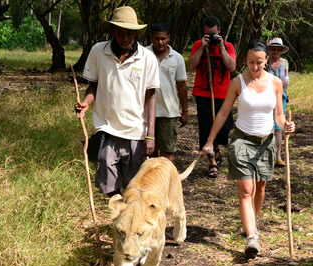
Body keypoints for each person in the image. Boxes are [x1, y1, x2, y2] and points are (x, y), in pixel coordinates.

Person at [201, 40, 295, 258]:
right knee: (246, 190)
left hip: (267, 142)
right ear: (246, 60)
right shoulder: (237, 83)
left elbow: (279, 115)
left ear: (266, 62)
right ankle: (252, 237)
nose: (254, 67)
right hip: (242, 140)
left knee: (260, 188)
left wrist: (286, 125)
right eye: (251, 62)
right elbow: (224, 113)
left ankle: (250, 223)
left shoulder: (275, 83)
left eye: (259, 63)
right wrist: (210, 140)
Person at [75, 6, 159, 197]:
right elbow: (93, 86)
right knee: (107, 178)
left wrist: (151, 135)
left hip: (136, 130)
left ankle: (130, 222)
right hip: (106, 127)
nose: (125, 37)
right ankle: (116, 213)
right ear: (113, 31)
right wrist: (86, 103)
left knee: (134, 185)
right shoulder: (98, 51)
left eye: (129, 33)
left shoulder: (147, 58)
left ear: (136, 34)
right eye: (120, 32)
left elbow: (151, 96)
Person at [189, 15, 236, 178]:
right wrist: (202, 47)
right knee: (207, 126)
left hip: (223, 93)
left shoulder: (228, 46)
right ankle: (212, 162)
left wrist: (221, 47)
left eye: (214, 34)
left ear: (220, 31)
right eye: (209, 34)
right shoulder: (198, 45)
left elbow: (231, 67)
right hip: (203, 93)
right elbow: (191, 65)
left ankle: (215, 148)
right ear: (204, 32)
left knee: (224, 127)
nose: (212, 37)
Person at [146, 23, 189, 161]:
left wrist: (185, 110)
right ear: (151, 38)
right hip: (145, 111)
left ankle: (165, 180)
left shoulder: (177, 58)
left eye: (163, 38)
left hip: (168, 113)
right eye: (157, 38)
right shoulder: (143, 55)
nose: (160, 42)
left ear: (169, 38)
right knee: (148, 152)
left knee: (167, 153)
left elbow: (181, 85)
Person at [267, 37, 290, 168]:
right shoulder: (265, 62)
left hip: (281, 96)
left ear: (281, 50)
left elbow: (286, 81)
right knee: (266, 126)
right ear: (270, 50)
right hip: (266, 97)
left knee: (278, 127)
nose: (276, 51)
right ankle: (267, 155)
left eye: (278, 49)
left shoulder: (284, 62)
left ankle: (278, 156)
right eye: (273, 49)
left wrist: (278, 86)